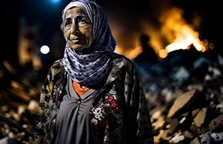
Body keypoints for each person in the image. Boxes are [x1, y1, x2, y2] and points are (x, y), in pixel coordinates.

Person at [34, 0, 154, 143]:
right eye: (67, 22)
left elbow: (141, 130)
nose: (73, 30)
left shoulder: (122, 69)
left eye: (82, 21)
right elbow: (43, 128)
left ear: (98, 25)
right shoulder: (57, 70)